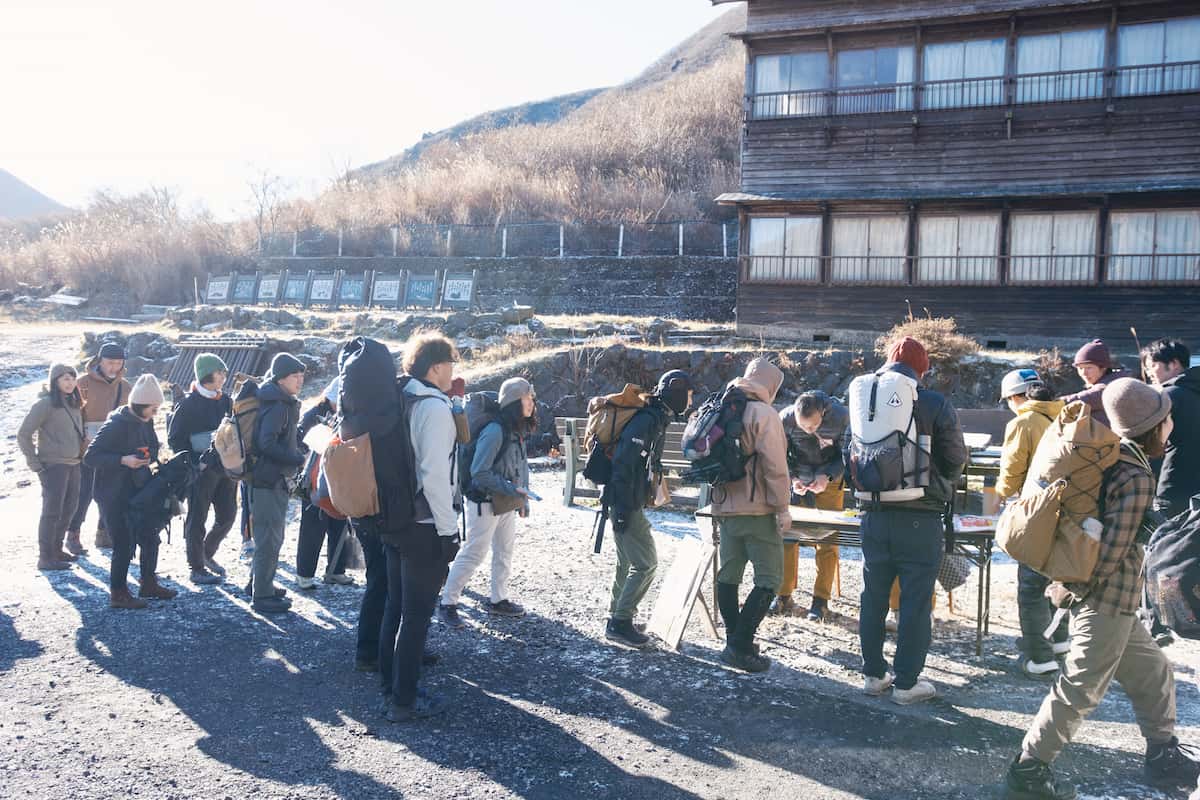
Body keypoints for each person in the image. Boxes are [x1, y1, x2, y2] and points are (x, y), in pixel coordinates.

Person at [1004, 378, 1200, 799]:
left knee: (1153, 671)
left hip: (1114, 598)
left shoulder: (1114, 455)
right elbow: (1111, 552)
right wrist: (1074, 590)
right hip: (1106, 598)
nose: (1171, 426)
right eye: (1167, 419)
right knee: (1079, 688)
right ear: (1153, 425)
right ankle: (1028, 771)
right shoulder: (1136, 474)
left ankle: (1163, 752)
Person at [858, 337, 968, 705]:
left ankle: (873, 675)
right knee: (915, 602)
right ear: (922, 370)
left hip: (873, 513)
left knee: (873, 596)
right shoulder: (934, 402)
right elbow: (955, 457)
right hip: (920, 516)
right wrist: (941, 483)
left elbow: (850, 451)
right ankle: (906, 683)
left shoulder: (864, 400)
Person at [379, 333, 462, 721]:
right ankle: (404, 701)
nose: (454, 372)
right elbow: (435, 475)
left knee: (395, 607)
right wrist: (448, 530)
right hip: (424, 523)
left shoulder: (401, 396)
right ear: (436, 367)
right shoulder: (433, 407)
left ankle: (389, 685)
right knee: (416, 616)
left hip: (393, 517)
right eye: (451, 364)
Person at [604, 370, 693, 649]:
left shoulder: (654, 417)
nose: (691, 401)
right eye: (689, 395)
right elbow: (624, 461)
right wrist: (622, 507)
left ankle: (617, 615)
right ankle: (621, 622)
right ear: (678, 393)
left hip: (624, 499)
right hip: (625, 501)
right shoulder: (647, 420)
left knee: (627, 562)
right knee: (646, 563)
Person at [711, 358, 790, 673]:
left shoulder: (722, 405)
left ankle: (735, 641)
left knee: (729, 574)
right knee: (770, 578)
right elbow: (775, 466)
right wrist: (782, 507)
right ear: (771, 385)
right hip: (758, 509)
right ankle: (740, 645)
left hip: (724, 506)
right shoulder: (764, 414)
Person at [439, 377, 536, 627]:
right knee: (474, 553)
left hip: (506, 501)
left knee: (504, 551)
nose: (532, 403)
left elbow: (521, 465)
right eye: (527, 398)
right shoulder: (495, 431)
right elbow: (479, 473)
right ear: (514, 401)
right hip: (484, 501)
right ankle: (448, 603)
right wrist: (513, 490)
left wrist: (522, 499)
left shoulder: (515, 428)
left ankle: (498, 599)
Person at [997, 368, 1068, 678]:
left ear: (1016, 397)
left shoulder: (1023, 422)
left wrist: (999, 495)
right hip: (1068, 512)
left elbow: (1010, 477)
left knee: (1031, 587)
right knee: (1057, 579)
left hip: (1036, 513)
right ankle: (1059, 641)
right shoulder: (1065, 416)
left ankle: (1038, 656)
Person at [84, 374, 177, 609]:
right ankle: (118, 593)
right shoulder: (115, 424)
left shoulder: (145, 421)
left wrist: (149, 456)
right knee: (123, 544)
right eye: (153, 408)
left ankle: (148, 583)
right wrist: (123, 460)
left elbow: (152, 447)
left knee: (150, 537)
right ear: (140, 404)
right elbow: (91, 457)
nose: (155, 413)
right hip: (112, 493)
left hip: (139, 490)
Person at [777, 390, 850, 621]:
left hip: (829, 480)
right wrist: (792, 478)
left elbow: (848, 454)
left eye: (814, 426)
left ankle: (820, 602)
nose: (809, 430)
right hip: (798, 478)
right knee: (787, 535)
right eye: (803, 426)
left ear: (823, 413)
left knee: (827, 539)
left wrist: (827, 476)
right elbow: (779, 454)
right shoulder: (785, 418)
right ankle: (783, 596)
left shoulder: (841, 416)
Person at [167, 353, 236, 585]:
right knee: (197, 518)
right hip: (200, 470)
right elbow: (175, 439)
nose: (224, 377)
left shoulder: (227, 401)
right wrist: (194, 462)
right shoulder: (188, 404)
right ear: (206, 375)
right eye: (219, 372)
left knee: (228, 516)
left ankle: (206, 552)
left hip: (226, 468)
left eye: (224, 372)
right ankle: (196, 567)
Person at [247, 353, 306, 614]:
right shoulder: (278, 406)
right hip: (269, 479)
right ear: (281, 378)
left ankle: (259, 584)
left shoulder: (277, 400)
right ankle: (262, 596)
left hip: (268, 478)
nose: (300, 380)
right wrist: (296, 458)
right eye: (295, 376)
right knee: (269, 538)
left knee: (269, 535)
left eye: (301, 376)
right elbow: (266, 443)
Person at [18, 363, 86, 571]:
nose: (70, 383)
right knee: (52, 512)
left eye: (72, 378)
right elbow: (24, 434)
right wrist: (35, 464)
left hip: (74, 463)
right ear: (55, 381)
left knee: (70, 508)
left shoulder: (74, 403)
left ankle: (56, 549)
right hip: (54, 466)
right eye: (65, 379)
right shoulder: (45, 404)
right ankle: (45, 557)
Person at [70, 341, 131, 552]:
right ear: (99, 361)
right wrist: (80, 442)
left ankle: (104, 533)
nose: (114, 367)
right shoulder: (82, 383)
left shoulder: (126, 387)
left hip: (115, 449)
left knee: (110, 493)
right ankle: (73, 533)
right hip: (86, 447)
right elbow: (73, 417)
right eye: (110, 362)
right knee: (84, 493)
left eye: (118, 363)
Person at [295, 378, 352, 590]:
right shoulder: (314, 415)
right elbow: (300, 443)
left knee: (339, 523)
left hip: (337, 478)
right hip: (312, 479)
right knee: (313, 526)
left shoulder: (347, 415)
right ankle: (305, 574)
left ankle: (336, 570)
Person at [1141, 338, 1199, 518]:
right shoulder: (1194, 391)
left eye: (1152, 365)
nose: (1148, 372)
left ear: (1173, 364)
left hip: (1173, 485)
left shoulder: (1167, 396)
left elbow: (1150, 442)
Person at [1059, 339, 1127, 429]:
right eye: (1080, 368)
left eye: (1089, 368)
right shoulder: (1109, 379)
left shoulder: (1113, 385)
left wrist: (1058, 403)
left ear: (1103, 368)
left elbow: (1092, 396)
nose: (1083, 373)